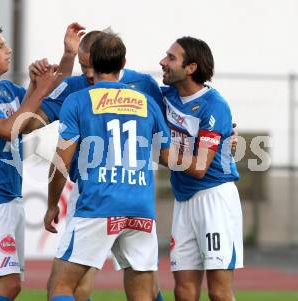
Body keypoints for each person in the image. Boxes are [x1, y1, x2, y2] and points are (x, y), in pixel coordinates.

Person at [32, 30, 166, 301]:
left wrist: (51, 204)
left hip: (97, 199)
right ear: (122, 61)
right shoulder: (146, 99)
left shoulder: (81, 98)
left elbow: (60, 161)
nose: (86, 72)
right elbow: (169, 153)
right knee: (140, 292)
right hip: (138, 200)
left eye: (86, 64)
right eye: (81, 65)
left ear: (94, 59)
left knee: (61, 286)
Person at [0, 21, 84, 301]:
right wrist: (38, 89)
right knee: (9, 285)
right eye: (0, 46)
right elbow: (7, 129)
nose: (8, 49)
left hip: (9, 198)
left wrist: (68, 56)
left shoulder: (7, 91)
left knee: (0, 287)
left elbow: (45, 97)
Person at [159, 37, 243, 301]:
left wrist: (158, 154)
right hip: (183, 200)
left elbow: (198, 168)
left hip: (214, 199)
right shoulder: (165, 95)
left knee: (218, 292)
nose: (163, 62)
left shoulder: (214, 105)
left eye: (171, 58)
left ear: (191, 67)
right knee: (183, 290)